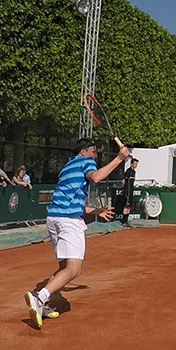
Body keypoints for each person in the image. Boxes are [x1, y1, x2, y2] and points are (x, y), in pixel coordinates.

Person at [25, 137, 131, 328]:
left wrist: (95, 211)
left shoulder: (67, 166)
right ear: (83, 152)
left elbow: (71, 200)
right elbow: (96, 178)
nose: (95, 155)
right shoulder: (86, 162)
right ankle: (39, 297)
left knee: (63, 268)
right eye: (93, 151)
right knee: (74, 269)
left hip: (54, 218)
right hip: (68, 222)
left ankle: (44, 304)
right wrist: (119, 159)